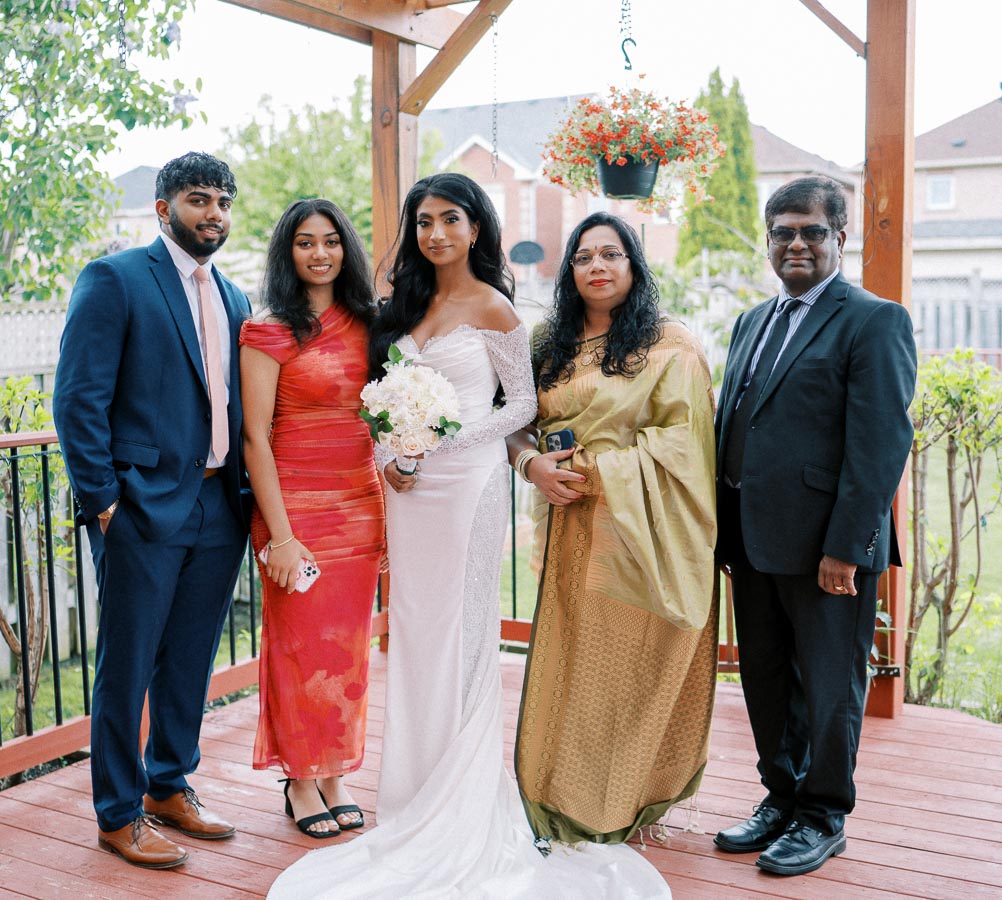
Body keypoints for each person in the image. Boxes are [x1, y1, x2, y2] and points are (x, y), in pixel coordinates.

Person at [267, 173, 668, 898]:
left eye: (450, 219)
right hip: (411, 493)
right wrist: (393, 451)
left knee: (461, 633)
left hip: (471, 485)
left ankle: (463, 804)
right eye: (423, 221)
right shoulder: (404, 306)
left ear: (475, 228)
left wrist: (441, 439)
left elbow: (518, 408)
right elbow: (377, 405)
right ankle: (413, 799)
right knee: (416, 635)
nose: (436, 233)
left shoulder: (495, 306)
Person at [52, 152, 251, 869]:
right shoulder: (116, 278)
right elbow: (78, 399)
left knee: (191, 659)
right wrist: (104, 502)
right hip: (140, 507)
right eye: (199, 199)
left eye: (224, 202)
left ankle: (170, 785)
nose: (214, 214)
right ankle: (117, 812)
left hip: (218, 504)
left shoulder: (235, 299)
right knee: (128, 663)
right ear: (163, 209)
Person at [712, 176, 917, 876]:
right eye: (783, 232)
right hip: (750, 540)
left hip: (827, 548)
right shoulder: (751, 321)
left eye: (812, 232)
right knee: (765, 680)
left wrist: (848, 548)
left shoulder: (873, 320)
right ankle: (780, 798)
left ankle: (824, 814)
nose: (795, 244)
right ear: (769, 240)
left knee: (830, 688)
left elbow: (881, 443)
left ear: (840, 237)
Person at [506, 212, 719, 848]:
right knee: (571, 666)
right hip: (566, 524)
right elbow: (515, 420)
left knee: (626, 668)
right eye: (583, 257)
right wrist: (532, 464)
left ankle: (621, 800)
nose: (597, 266)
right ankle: (557, 794)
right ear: (569, 271)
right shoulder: (550, 343)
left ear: (633, 266)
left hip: (639, 532)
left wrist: (599, 471)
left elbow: (685, 444)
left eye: (611, 254)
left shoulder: (668, 344)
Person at [240, 199, 384, 839]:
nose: (319, 253)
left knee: (347, 650)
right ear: (287, 252)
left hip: (359, 506)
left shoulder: (371, 326)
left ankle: (335, 772)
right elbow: (254, 438)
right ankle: (300, 777)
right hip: (294, 509)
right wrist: (283, 534)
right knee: (299, 649)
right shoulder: (269, 330)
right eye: (304, 242)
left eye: (330, 241)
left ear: (345, 249)